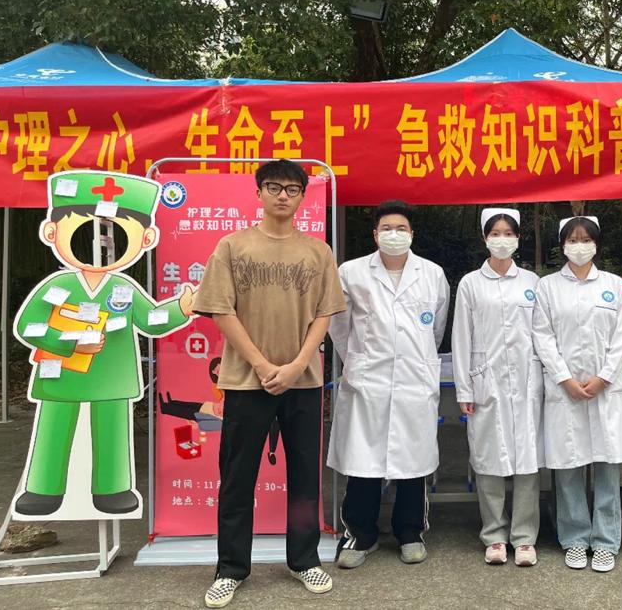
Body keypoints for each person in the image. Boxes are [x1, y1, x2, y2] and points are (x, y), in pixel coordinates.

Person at [194, 160, 345, 608]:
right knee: (237, 478)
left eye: (293, 189)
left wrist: (298, 365)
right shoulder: (232, 246)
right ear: (258, 192)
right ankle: (230, 569)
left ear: (302, 197)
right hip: (245, 381)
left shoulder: (317, 251)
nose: (283, 195)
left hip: (303, 381)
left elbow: (325, 314)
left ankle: (304, 560)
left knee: (305, 475)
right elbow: (220, 310)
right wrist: (261, 365)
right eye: (274, 187)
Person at [13, 171, 194, 518]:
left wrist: (181, 308)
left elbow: (150, 319)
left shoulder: (122, 287)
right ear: (52, 232)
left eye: (115, 234)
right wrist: (68, 343)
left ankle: (112, 488)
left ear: (146, 239)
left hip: (112, 374)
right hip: (61, 372)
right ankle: (43, 488)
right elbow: (28, 326)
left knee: (112, 429)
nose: (101, 243)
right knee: (54, 426)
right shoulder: (58, 285)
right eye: (87, 231)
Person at [328, 199, 450, 569]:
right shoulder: (351, 272)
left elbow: (436, 328)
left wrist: (416, 359)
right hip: (368, 380)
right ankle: (359, 535)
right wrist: (358, 360)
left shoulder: (432, 274)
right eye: (386, 228)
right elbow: (339, 325)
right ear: (374, 234)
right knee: (362, 461)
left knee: (413, 461)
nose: (393, 234)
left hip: (414, 380)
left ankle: (410, 533)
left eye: (401, 229)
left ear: (412, 233)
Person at [532, 216, 622, 573]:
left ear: (596, 244)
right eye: (572, 240)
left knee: (608, 465)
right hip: (565, 390)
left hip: (606, 390)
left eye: (586, 239)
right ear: (563, 244)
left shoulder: (613, 284)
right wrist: (564, 378)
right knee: (569, 465)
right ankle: (575, 538)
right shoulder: (548, 287)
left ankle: (606, 541)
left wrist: (604, 378)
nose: (579, 246)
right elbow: (542, 335)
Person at [453, 208, 544, 567]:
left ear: (518, 239)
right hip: (485, 381)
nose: (502, 240)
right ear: (485, 238)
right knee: (489, 458)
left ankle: (524, 537)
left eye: (509, 233)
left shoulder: (532, 282)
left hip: (527, 381)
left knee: (527, 459)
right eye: (495, 233)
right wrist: (465, 389)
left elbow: (543, 334)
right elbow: (461, 337)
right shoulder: (470, 283)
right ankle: (493, 534)